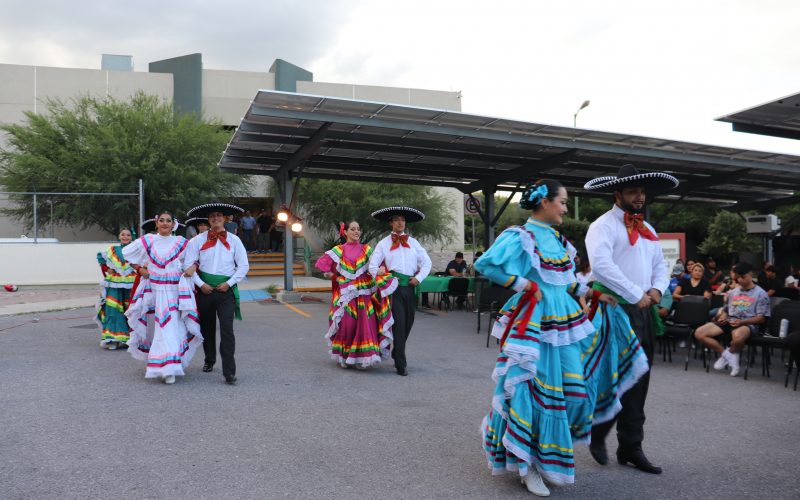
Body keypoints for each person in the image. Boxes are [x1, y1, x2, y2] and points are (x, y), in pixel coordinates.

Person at [476, 179, 647, 495]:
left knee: (575, 393)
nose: (566, 208)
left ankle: (535, 450)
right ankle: (528, 465)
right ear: (545, 202)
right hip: (535, 321)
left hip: (565, 322)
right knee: (533, 390)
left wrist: (594, 293)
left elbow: (565, 282)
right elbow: (486, 264)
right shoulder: (520, 236)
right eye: (563, 202)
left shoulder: (558, 239)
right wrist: (525, 285)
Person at [584, 164, 679, 475]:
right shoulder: (602, 226)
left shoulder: (648, 228)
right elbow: (601, 266)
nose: (639, 196)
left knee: (639, 378)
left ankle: (631, 446)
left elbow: (661, 266)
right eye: (632, 191)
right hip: (613, 309)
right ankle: (597, 432)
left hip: (643, 310)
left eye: (641, 191)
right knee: (610, 376)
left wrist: (657, 289)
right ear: (618, 194)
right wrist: (635, 292)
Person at [123, 211, 203, 384]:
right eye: (161, 220)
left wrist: (193, 267)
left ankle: (169, 367)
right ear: (156, 223)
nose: (165, 223)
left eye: (168, 220)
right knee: (156, 327)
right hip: (154, 291)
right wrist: (139, 269)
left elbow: (193, 259)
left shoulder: (181, 242)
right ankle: (164, 364)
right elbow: (127, 253)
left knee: (171, 327)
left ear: (173, 224)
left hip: (174, 292)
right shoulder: (148, 240)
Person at [315, 220, 396, 369]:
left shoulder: (367, 249)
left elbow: (378, 266)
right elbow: (323, 266)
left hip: (365, 293)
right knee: (347, 324)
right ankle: (345, 355)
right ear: (345, 232)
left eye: (358, 229)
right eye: (352, 229)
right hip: (347, 293)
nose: (356, 231)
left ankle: (363, 357)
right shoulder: (338, 250)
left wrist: (380, 271)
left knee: (366, 324)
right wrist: (335, 277)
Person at [184, 202, 250, 386]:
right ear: (208, 219)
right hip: (205, 290)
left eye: (219, 215)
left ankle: (229, 372)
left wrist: (229, 283)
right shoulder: (196, 241)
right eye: (212, 216)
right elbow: (187, 264)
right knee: (207, 328)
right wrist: (201, 284)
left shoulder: (235, 240)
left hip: (225, 291)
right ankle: (209, 359)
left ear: (225, 218)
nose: (215, 218)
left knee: (227, 330)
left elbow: (243, 266)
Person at [368, 206, 431, 376]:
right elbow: (372, 266)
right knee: (399, 325)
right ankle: (401, 364)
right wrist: (381, 273)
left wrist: (419, 278)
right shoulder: (383, 243)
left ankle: (397, 351)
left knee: (408, 323)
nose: (400, 222)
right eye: (396, 220)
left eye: (402, 220)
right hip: (393, 289)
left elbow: (427, 262)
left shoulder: (414, 242)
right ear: (391, 223)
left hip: (410, 288)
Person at [694, 262, 770, 377]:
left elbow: (761, 318)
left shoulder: (761, 294)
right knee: (699, 333)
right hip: (731, 320)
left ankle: (731, 353)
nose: (740, 280)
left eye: (743, 277)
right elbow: (726, 309)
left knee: (738, 336)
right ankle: (727, 355)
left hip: (749, 323)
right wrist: (724, 315)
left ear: (751, 274)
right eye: (738, 278)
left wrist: (742, 322)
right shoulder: (734, 292)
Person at [95, 228, 136, 350]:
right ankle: (113, 338)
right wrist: (107, 269)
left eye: (128, 235)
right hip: (114, 282)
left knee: (131, 310)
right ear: (119, 236)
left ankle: (129, 338)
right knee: (113, 308)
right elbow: (101, 259)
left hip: (131, 282)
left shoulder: (135, 249)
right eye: (123, 234)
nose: (125, 237)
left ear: (131, 237)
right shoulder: (112, 250)